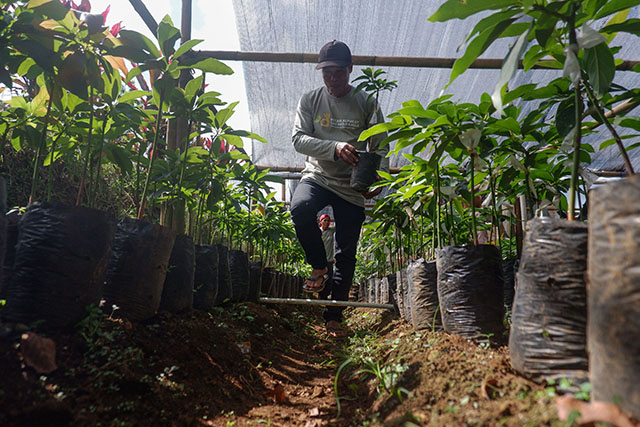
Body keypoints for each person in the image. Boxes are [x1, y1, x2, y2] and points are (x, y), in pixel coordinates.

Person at [290, 40, 389, 338]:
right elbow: (298, 139)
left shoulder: (367, 102)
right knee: (300, 208)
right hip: (318, 175)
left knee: (346, 252)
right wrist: (334, 147)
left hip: (350, 185)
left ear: (350, 69)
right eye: (326, 73)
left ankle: (334, 316)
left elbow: (380, 145)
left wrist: (376, 180)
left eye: (337, 72)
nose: (332, 79)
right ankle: (319, 267)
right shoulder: (310, 99)